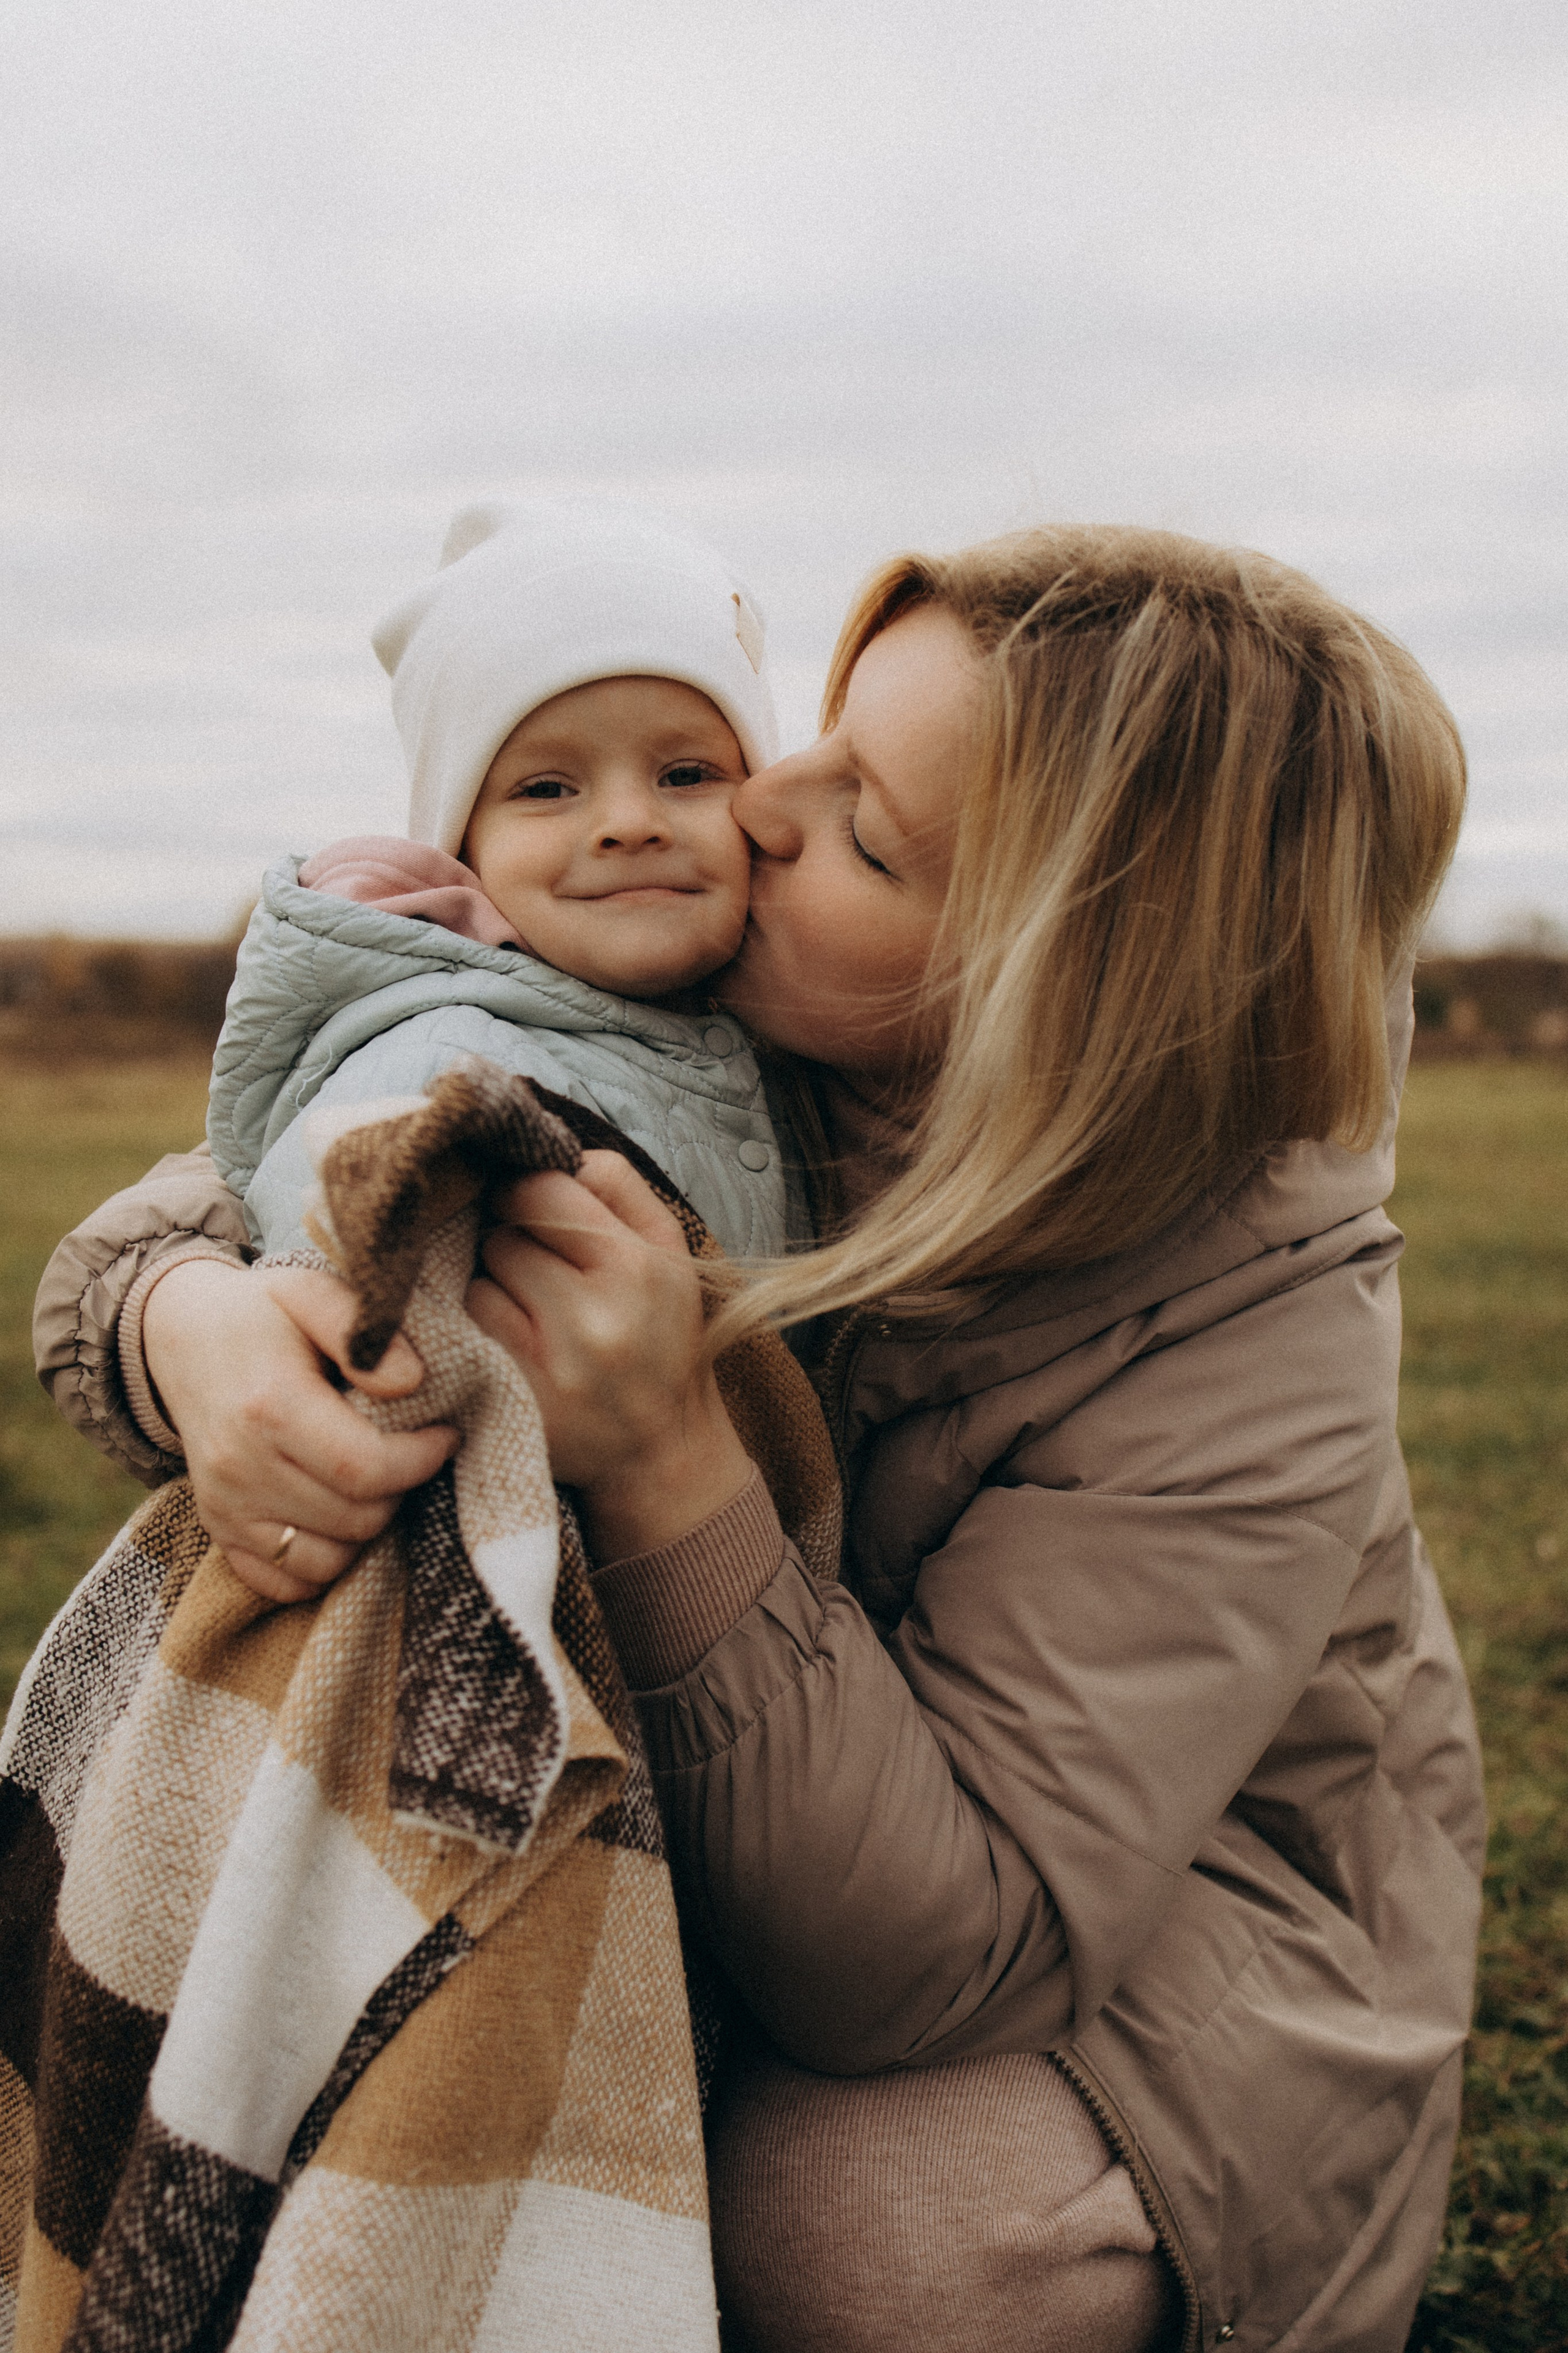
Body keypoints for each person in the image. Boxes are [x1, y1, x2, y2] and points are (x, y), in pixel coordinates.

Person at [34, 525, 1485, 2352]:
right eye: (811, 739)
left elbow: (946, 1951)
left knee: (843, 2234)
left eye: (868, 828)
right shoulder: (758, 1007)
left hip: (1183, 1950)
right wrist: (194, 1326)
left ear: (1054, 997)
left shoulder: (1254, 1333)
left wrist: (674, 1465)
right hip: (783, 1809)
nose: (758, 811)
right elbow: (281, 1152)